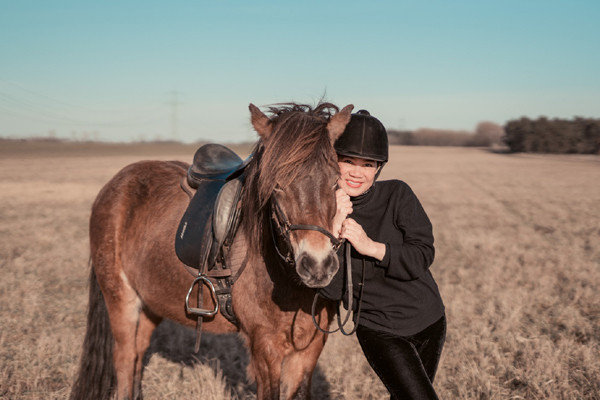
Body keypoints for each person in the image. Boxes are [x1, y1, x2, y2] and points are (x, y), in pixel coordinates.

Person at [320, 109, 446, 400]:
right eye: (348, 161)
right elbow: (329, 290)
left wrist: (371, 247)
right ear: (333, 161)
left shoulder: (398, 195)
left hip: (429, 320)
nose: (356, 172)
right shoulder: (322, 214)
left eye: (368, 164)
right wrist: (334, 226)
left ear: (378, 168)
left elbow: (422, 255)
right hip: (380, 331)